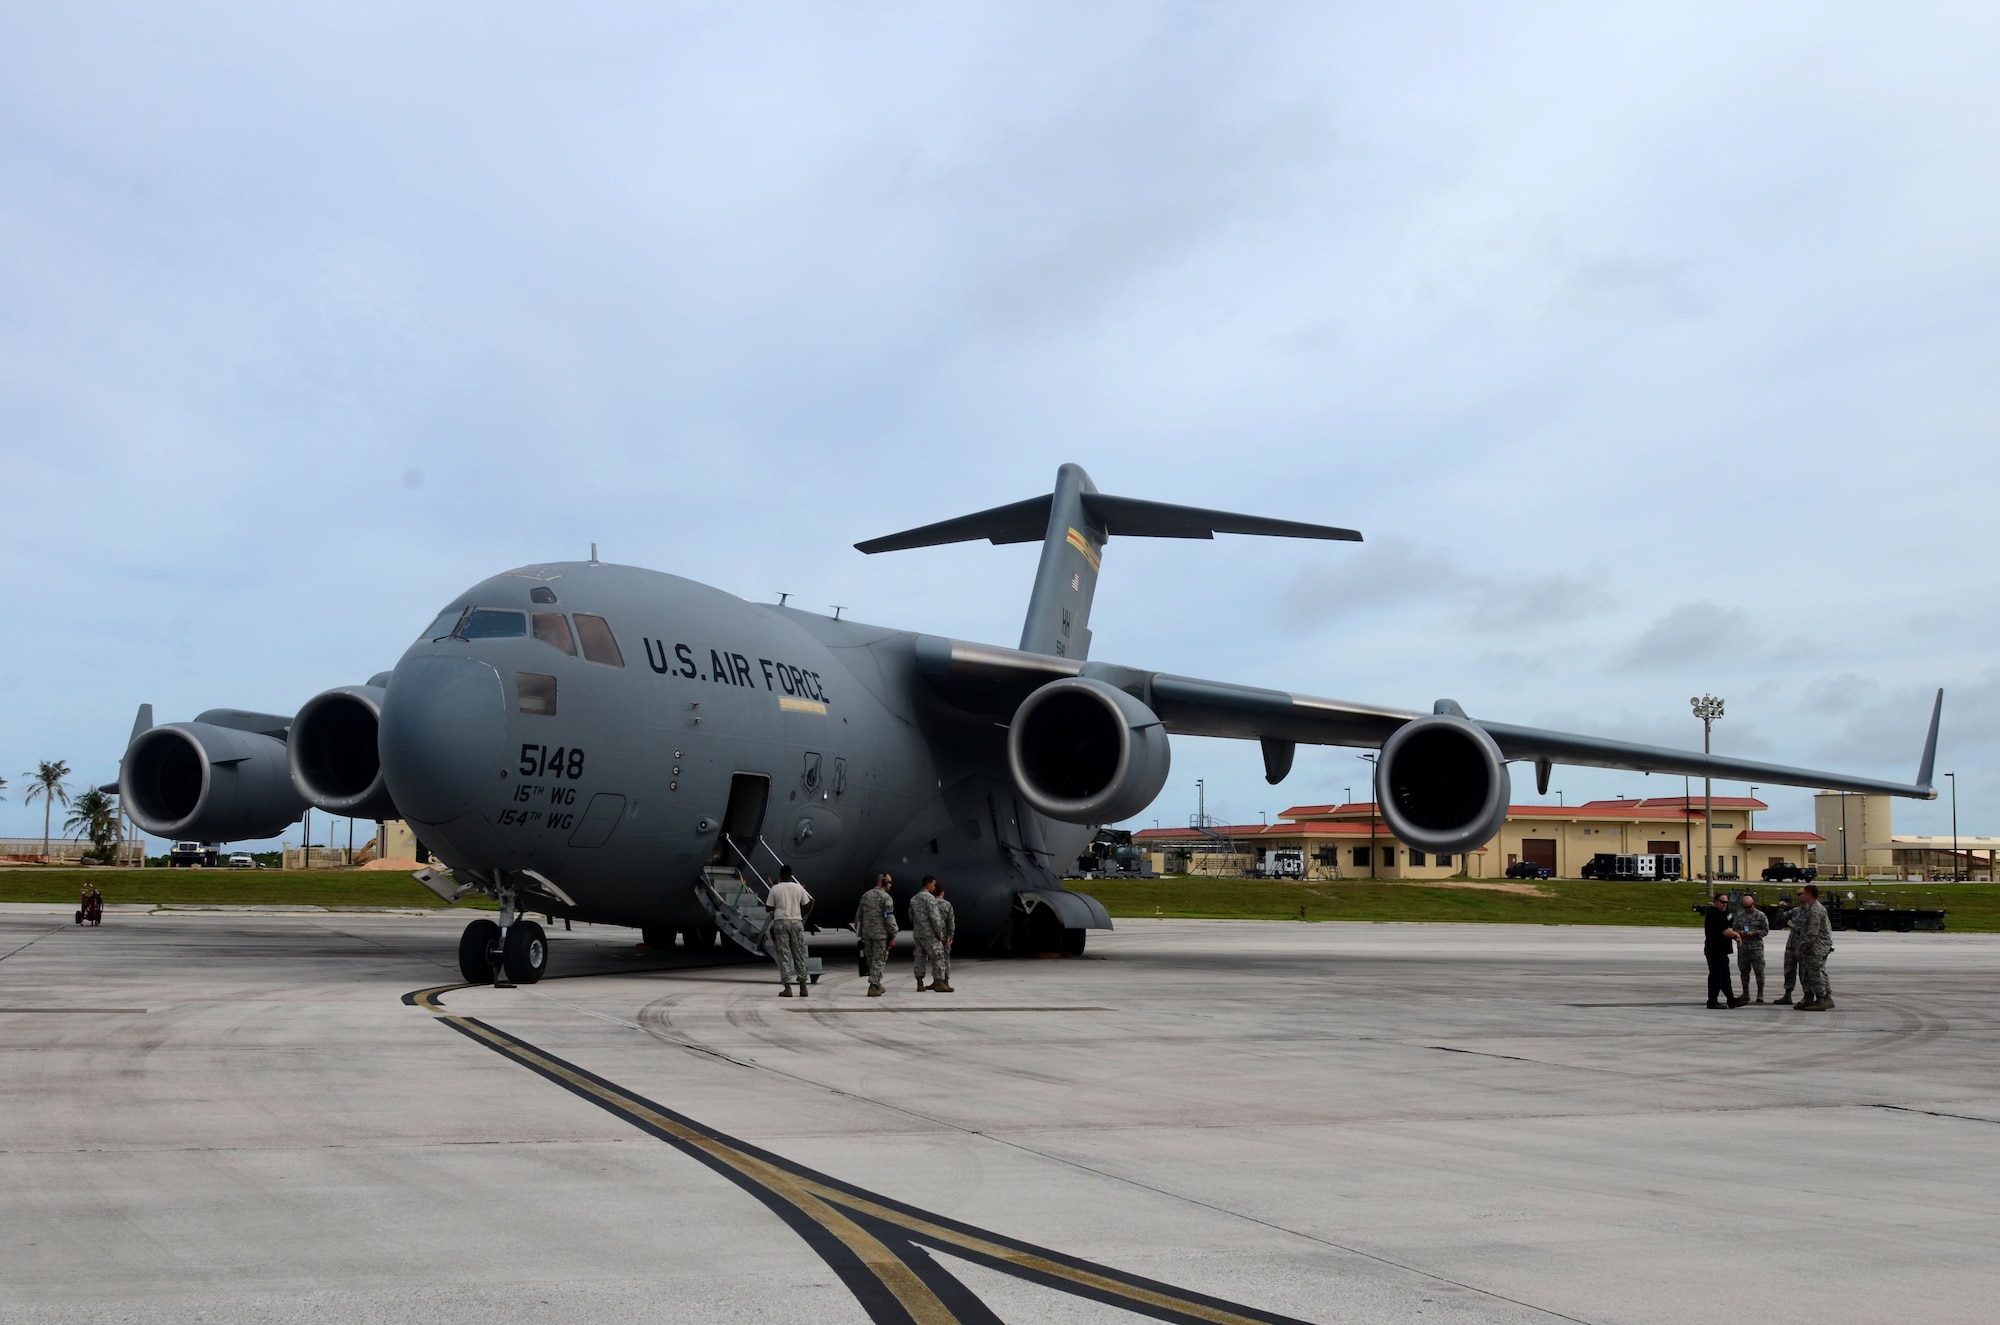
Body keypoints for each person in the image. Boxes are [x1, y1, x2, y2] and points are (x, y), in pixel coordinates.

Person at [764, 865, 813, 998]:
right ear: (791, 875)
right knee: (799, 954)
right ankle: (803, 986)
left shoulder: (775, 888)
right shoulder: (798, 888)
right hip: (796, 921)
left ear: (780, 875)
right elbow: (807, 905)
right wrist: (799, 912)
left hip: (781, 922)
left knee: (784, 955)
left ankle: (787, 987)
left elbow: (768, 908)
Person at [1791, 883, 1836, 1011]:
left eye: (1803, 893)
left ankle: (1821, 999)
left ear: (1809, 894)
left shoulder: (1815, 910)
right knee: (1812, 973)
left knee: (1816, 973)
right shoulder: (1810, 908)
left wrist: (1801, 947)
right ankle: (1813, 998)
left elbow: (1812, 933)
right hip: (1813, 947)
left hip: (1816, 947)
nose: (1801, 895)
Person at [854, 873, 897, 997]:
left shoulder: (865, 896)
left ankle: (877, 984)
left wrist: (860, 932)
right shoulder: (886, 897)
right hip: (880, 935)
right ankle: (873, 986)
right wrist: (893, 934)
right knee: (879, 960)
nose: (890, 885)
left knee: (871, 959)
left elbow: (858, 916)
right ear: (883, 882)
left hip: (867, 934)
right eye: (889, 882)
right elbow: (889, 917)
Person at [1703, 893, 1745, 1008]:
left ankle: (1731, 1000)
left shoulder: (1725, 914)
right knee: (1716, 976)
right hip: (1714, 951)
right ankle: (1712, 1001)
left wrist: (1734, 934)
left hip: (1722, 951)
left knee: (1725, 976)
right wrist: (1736, 935)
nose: (1725, 905)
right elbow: (1725, 931)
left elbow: (1730, 926)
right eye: (1722, 902)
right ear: (1716, 902)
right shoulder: (1713, 914)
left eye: (1726, 902)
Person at [1735, 891, 1770, 1003]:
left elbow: (1765, 930)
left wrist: (1754, 933)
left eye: (1749, 907)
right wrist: (1739, 933)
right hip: (1743, 948)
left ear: (1753, 904)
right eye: (1744, 907)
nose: (1747, 909)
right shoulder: (1740, 916)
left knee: (1759, 971)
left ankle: (1760, 994)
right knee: (1744, 972)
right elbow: (1734, 929)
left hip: (1756, 948)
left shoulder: (1761, 916)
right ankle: (1745, 993)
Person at [910, 876, 941, 991]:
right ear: (928, 884)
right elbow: (935, 918)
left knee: (919, 957)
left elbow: (911, 915)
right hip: (929, 933)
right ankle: (938, 982)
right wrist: (940, 933)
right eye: (933, 884)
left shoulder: (914, 899)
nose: (934, 887)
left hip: (918, 933)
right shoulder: (930, 899)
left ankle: (919, 983)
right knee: (937, 955)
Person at [931, 882, 955, 994]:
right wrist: (950, 935)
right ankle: (945, 981)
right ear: (942, 892)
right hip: (944, 935)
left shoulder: (930, 903)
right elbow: (951, 921)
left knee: (935, 958)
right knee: (945, 958)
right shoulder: (947, 904)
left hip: (933, 935)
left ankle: (937, 980)